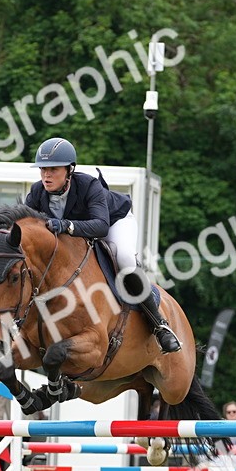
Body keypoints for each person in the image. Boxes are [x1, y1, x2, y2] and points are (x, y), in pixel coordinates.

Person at [24, 137, 180, 354]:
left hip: (114, 221)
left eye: (53, 169)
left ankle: (159, 325)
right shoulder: (36, 192)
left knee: (124, 257)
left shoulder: (89, 185)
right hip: (78, 233)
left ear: (69, 170)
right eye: (42, 170)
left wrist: (66, 224)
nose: (46, 175)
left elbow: (100, 227)